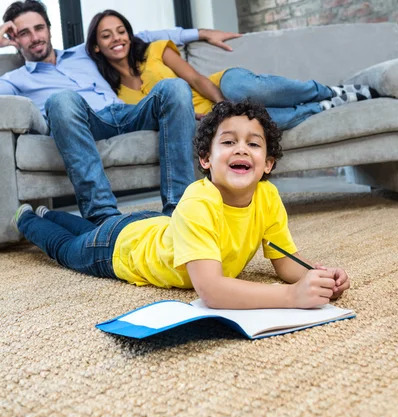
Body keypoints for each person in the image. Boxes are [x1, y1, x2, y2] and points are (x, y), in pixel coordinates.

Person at [10, 100, 350, 309]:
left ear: (268, 163)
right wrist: (290, 298)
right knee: (69, 249)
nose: (242, 149)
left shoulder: (268, 197)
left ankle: (48, 213)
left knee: (87, 231)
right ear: (206, 159)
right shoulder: (199, 202)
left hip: (151, 228)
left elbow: (284, 263)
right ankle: (28, 217)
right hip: (120, 249)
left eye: (253, 144)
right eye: (228, 142)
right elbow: (212, 290)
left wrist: (317, 277)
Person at [0, 0, 240, 220]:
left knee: (174, 87)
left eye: (39, 28)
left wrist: (201, 33)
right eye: (24, 33)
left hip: (125, 112)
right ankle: (104, 217)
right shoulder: (15, 79)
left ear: (49, 29)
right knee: (60, 100)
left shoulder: (82, 52)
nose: (35, 37)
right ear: (14, 39)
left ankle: (180, 209)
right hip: (83, 124)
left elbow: (141, 36)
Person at [86, 9, 379, 132]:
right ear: (97, 46)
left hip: (222, 88)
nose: (117, 39)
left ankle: (328, 90)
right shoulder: (117, 95)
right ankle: (325, 106)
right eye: (107, 35)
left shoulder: (155, 50)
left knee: (243, 91)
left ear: (130, 34)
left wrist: (222, 104)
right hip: (208, 120)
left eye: (121, 31)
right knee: (255, 124)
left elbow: (195, 78)